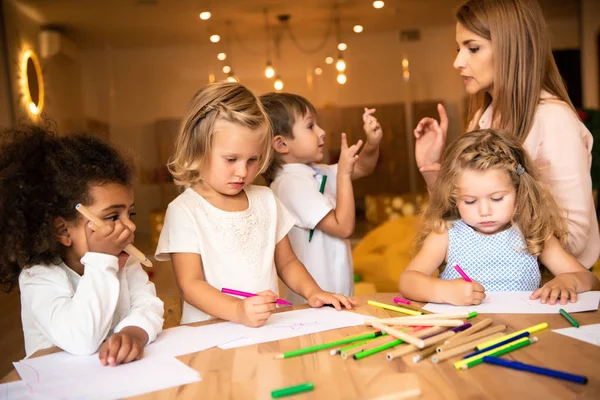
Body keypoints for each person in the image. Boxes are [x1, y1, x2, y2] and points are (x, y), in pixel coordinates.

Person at [414, 0, 600, 268]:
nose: (457, 62)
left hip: (550, 290)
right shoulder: (483, 118)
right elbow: (458, 218)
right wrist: (432, 168)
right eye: (459, 48)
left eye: (473, 48)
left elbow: (575, 237)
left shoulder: (553, 119)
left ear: (511, 49)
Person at [155, 82, 356, 326]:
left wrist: (313, 292)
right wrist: (238, 310)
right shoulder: (184, 211)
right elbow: (190, 285)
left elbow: (288, 262)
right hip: (209, 336)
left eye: (252, 160)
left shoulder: (266, 199)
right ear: (198, 148)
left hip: (263, 328)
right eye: (231, 159)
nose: (242, 172)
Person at [0, 125, 164, 365]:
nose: (130, 227)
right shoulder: (38, 276)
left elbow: (148, 303)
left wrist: (133, 332)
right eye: (111, 217)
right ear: (63, 230)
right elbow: (82, 340)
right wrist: (101, 261)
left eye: (131, 213)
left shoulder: (124, 261)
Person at [399, 129, 600, 306]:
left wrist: (569, 281)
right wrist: (443, 291)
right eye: (470, 201)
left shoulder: (531, 232)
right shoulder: (446, 234)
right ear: (454, 198)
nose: (484, 211)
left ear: (518, 191)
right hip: (463, 333)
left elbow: (590, 280)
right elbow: (408, 281)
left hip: (522, 332)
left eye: (497, 198)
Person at [261, 93, 382, 304]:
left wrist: (372, 144)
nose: (322, 132)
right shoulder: (290, 184)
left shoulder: (313, 172)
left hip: (335, 294)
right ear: (281, 145)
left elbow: (363, 167)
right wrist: (343, 174)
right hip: (314, 302)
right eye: (310, 127)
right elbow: (343, 227)